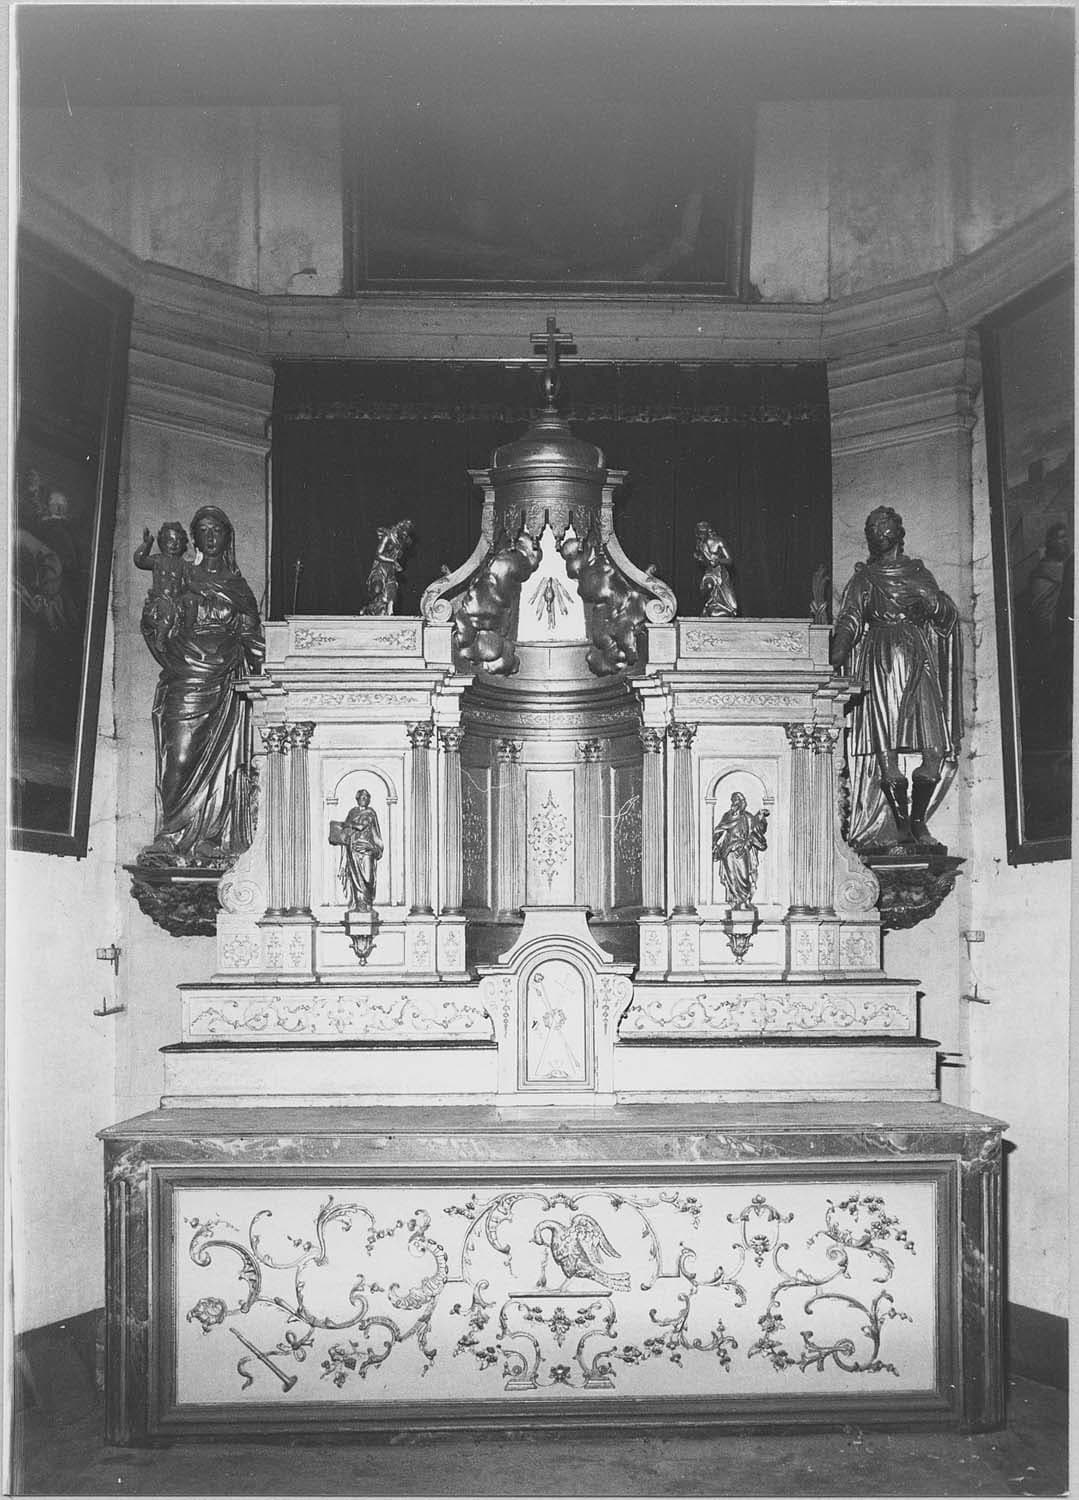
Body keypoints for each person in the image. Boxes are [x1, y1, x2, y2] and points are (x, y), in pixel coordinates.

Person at [830, 506, 961, 851]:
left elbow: (945, 616)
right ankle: (903, 826)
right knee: (885, 749)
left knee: (934, 749)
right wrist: (833, 657)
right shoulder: (864, 579)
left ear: (896, 531)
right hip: (881, 659)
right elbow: (850, 620)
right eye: (871, 528)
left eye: (882, 526)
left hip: (918, 657)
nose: (877, 532)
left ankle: (918, 820)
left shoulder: (919, 572)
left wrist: (933, 603)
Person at [139, 506, 263, 867]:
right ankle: (170, 835)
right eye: (203, 531)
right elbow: (159, 621)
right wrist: (155, 620)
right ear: (193, 539)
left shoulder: (239, 588)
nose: (210, 537)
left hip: (223, 681)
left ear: (227, 537)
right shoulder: (180, 575)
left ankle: (210, 837)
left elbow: (251, 637)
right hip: (185, 673)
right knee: (177, 757)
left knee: (222, 761)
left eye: (216, 530)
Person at [134, 521, 191, 651]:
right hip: (161, 598)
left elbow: (190, 582)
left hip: (176, 599)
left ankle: (184, 636)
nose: (174, 544)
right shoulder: (158, 560)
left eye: (178, 540)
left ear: (183, 544)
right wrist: (147, 544)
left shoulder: (182, 564)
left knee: (187, 612)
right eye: (170, 540)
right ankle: (160, 639)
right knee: (168, 616)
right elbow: (139, 560)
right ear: (161, 542)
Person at [712, 791, 769, 908]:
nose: (744, 803)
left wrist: (761, 817)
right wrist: (714, 843)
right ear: (735, 802)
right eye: (741, 801)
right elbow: (718, 830)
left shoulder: (747, 817)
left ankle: (745, 900)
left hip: (742, 850)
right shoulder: (727, 816)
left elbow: (757, 829)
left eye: (744, 801)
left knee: (744, 876)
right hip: (729, 852)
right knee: (731, 877)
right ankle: (737, 902)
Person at [335, 789, 384, 911]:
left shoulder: (371, 813)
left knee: (368, 878)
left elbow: (375, 833)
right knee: (355, 878)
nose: (364, 799)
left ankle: (367, 903)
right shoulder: (352, 812)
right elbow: (346, 828)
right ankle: (359, 905)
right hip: (354, 849)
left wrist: (374, 848)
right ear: (357, 799)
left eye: (367, 797)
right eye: (362, 797)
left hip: (367, 850)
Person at [364, 519, 415, 615]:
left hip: (391, 570)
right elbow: (378, 555)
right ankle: (371, 610)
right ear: (399, 529)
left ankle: (389, 613)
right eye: (404, 532)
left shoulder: (400, 542)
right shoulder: (388, 537)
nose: (404, 534)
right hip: (380, 568)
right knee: (377, 589)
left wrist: (396, 563)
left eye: (406, 533)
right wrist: (393, 561)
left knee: (391, 592)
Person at [693, 521, 738, 617]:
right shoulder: (701, 545)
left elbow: (729, 560)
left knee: (727, 599)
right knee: (708, 586)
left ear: (708, 532)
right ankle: (710, 606)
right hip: (710, 573)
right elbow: (705, 561)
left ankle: (724, 608)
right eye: (699, 534)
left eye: (702, 533)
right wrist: (700, 559)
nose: (700, 536)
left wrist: (718, 561)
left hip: (720, 573)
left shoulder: (719, 542)